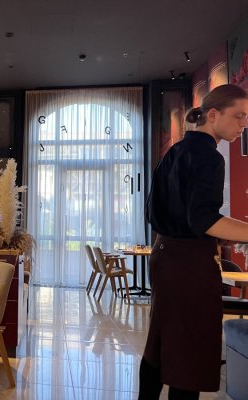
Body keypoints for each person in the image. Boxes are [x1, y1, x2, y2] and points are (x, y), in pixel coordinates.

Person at [140, 84, 248, 400]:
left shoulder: (174, 152)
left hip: (164, 257)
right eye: (239, 116)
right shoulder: (209, 158)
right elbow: (204, 220)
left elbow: (151, 211)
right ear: (213, 115)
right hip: (189, 266)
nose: (243, 125)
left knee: (160, 345)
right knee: (189, 356)